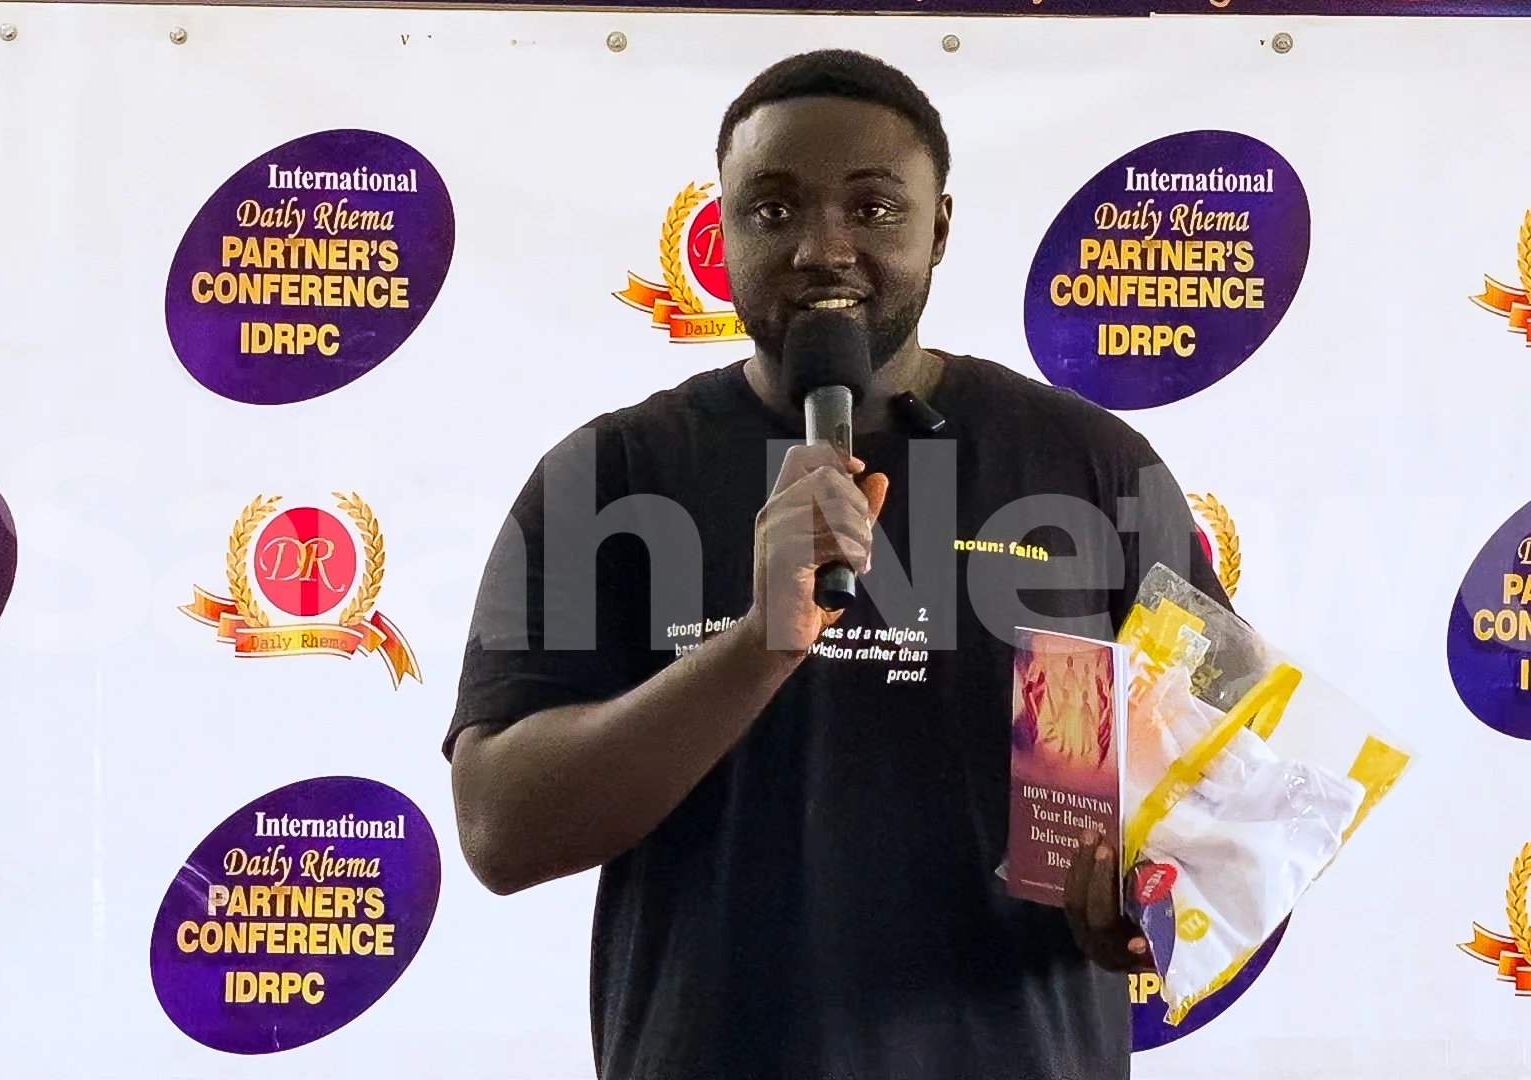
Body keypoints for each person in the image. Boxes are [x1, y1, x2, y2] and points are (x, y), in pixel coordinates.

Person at [445, 48, 1232, 1080]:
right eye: (773, 210)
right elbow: (501, 830)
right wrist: (757, 648)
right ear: (720, 230)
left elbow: (1232, 796)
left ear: (939, 228)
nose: (822, 249)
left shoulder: (1092, 466)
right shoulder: (609, 474)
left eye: (873, 209)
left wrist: (1145, 904)